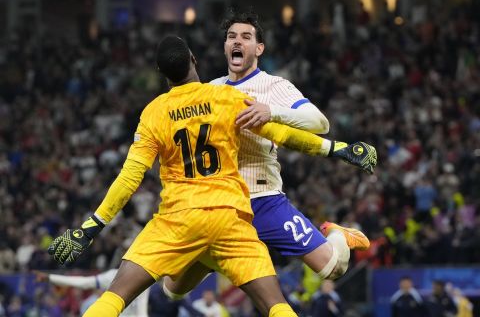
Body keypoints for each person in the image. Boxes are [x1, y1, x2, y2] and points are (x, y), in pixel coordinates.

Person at [47, 36, 376, 317]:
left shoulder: (154, 113)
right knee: (275, 306)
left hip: (177, 221)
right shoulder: (225, 98)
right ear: (193, 59)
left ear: (161, 73)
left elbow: (129, 178)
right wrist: (337, 148)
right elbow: (283, 134)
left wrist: (89, 228)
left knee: (115, 296)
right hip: (229, 218)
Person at [164, 9, 373, 300]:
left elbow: (319, 122)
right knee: (172, 290)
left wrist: (271, 111)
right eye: (232, 37)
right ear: (225, 47)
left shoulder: (274, 86)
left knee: (334, 268)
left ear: (258, 48)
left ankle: (338, 235)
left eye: (246, 37)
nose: (238, 41)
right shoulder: (210, 90)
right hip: (217, 207)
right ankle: (217, 255)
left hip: (263, 200)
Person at [33, 269, 150, 316]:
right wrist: (50, 277)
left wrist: (50, 277)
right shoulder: (113, 275)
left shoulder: (146, 276)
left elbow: (142, 308)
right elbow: (83, 282)